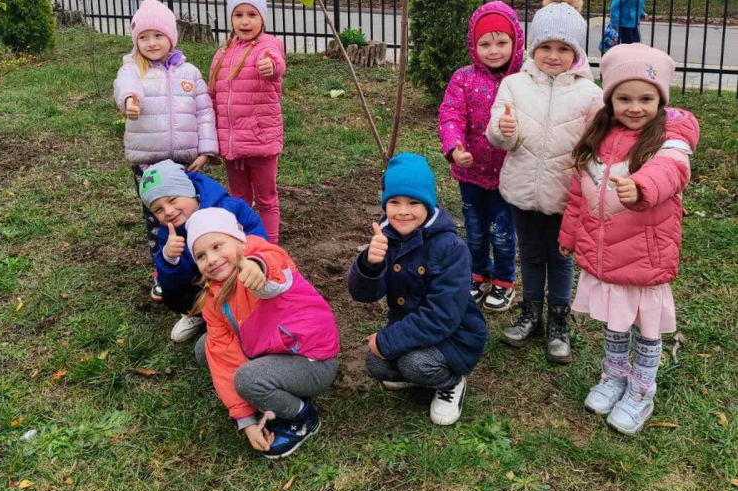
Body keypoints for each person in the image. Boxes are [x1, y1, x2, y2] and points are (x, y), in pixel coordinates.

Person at [560, 44, 699, 435]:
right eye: (624, 98)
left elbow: (670, 172)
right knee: (615, 324)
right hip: (605, 256)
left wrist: (640, 187)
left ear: (661, 100)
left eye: (645, 98)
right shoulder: (598, 138)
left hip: (643, 257)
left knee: (646, 329)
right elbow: (578, 193)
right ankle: (614, 376)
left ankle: (641, 390)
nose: (634, 107)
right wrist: (570, 234)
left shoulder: (670, 139)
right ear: (610, 99)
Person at [487, 0, 604, 363]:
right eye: (546, 47)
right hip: (522, 190)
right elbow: (499, 133)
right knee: (531, 254)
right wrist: (505, 132)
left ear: (576, 53)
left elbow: (599, 145)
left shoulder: (590, 94)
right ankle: (530, 313)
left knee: (561, 257)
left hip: (565, 195)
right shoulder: (514, 84)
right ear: (532, 48)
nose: (553, 56)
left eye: (563, 48)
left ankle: (559, 321)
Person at [186, 207, 340, 458]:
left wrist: (258, 268)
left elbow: (271, 268)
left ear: (238, 239)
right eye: (201, 255)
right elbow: (224, 355)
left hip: (313, 362)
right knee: (206, 348)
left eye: (217, 246)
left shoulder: (260, 256)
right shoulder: (214, 296)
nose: (211, 259)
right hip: (271, 352)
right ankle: (264, 392)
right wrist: (245, 420)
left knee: (247, 379)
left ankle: (302, 417)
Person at [348, 153, 487, 427]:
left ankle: (452, 381)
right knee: (377, 364)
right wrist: (369, 264)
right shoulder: (386, 238)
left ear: (429, 203)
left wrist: (388, 341)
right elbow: (364, 294)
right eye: (394, 202)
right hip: (411, 328)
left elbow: (443, 316)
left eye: (413, 202)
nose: (403, 211)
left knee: (414, 364)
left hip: (454, 336)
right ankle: (416, 374)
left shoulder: (451, 247)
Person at [113, 0, 218, 303]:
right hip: (148, 163)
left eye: (158, 35)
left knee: (189, 212)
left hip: (185, 160)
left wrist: (206, 149)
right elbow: (124, 85)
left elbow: (204, 112)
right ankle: (163, 270)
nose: (151, 42)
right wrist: (130, 99)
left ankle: (196, 264)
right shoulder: (134, 68)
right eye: (143, 37)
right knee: (158, 220)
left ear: (171, 37)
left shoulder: (190, 73)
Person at [438, 1, 524, 312]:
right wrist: (455, 147)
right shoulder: (463, 78)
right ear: (474, 46)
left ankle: (503, 279)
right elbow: (450, 115)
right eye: (485, 43)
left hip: (509, 173)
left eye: (502, 42)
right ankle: (477, 274)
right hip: (471, 173)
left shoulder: (524, 80)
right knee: (474, 229)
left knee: (502, 231)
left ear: (516, 42)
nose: (494, 50)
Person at [138, 159, 267, 343]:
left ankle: (252, 313)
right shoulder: (169, 233)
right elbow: (175, 282)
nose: (168, 211)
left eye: (173, 200)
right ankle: (201, 315)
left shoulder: (229, 207)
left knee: (257, 278)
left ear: (189, 191)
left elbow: (258, 236)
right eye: (158, 210)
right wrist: (169, 258)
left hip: (239, 274)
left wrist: (253, 260)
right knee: (170, 292)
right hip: (207, 284)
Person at [209, 0, 286, 243]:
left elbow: (275, 62)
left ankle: (271, 245)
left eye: (252, 14)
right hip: (232, 146)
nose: (245, 21)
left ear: (262, 19)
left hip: (260, 140)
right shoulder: (223, 53)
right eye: (238, 14)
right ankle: (244, 241)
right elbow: (213, 94)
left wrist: (271, 66)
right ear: (231, 18)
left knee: (266, 198)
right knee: (239, 198)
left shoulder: (268, 45)